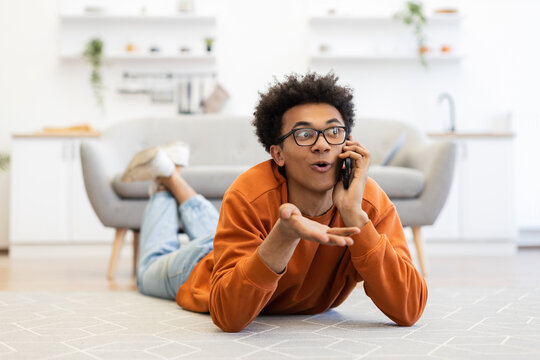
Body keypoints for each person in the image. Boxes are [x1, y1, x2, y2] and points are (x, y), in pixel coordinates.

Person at [123, 72, 427, 333]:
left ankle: (171, 173)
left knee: (212, 233)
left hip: (234, 244)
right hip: (203, 265)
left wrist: (353, 215)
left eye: (334, 131)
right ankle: (165, 182)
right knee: (148, 270)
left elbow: (409, 308)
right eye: (304, 133)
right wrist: (284, 236)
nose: (322, 144)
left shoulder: (366, 202)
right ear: (277, 154)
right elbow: (229, 317)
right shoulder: (248, 193)